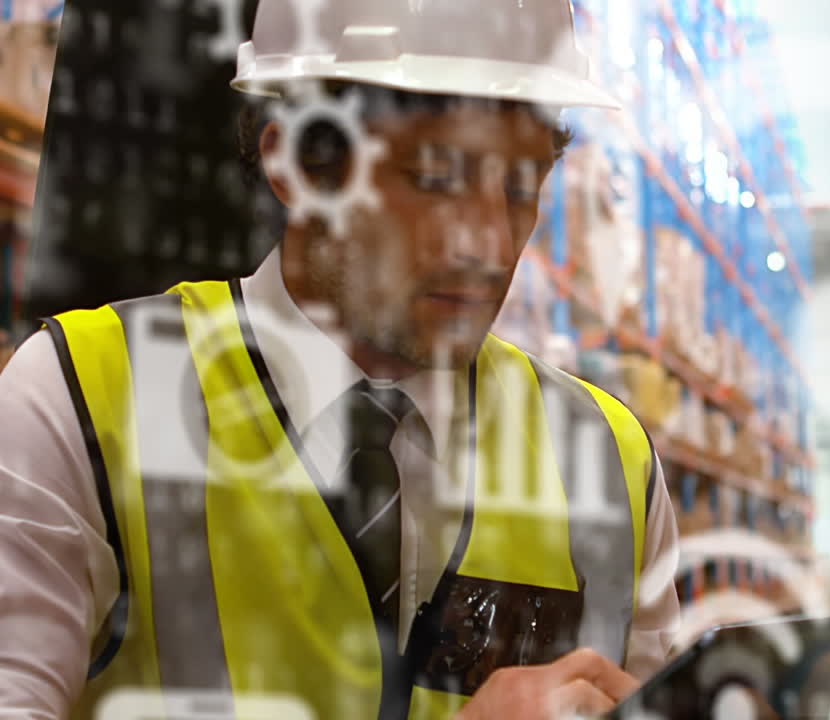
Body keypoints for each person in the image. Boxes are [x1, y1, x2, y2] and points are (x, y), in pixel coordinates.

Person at [0, 1, 680, 718]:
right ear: (296, 166)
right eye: (437, 178)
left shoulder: (609, 461)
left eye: (520, 187)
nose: (489, 243)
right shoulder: (81, 399)